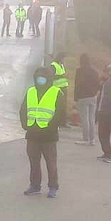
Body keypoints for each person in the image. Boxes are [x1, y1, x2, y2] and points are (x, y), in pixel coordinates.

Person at [20, 67, 64, 198]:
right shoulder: (31, 91)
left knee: (51, 163)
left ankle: (53, 187)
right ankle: (34, 186)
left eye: (43, 76)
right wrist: (25, 125)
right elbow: (23, 110)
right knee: (34, 162)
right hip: (32, 133)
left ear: (49, 78)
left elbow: (60, 114)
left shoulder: (57, 92)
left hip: (48, 135)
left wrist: (50, 128)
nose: (40, 79)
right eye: (38, 76)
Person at [73, 53, 100, 146]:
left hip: (82, 97)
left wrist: (75, 98)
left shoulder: (79, 71)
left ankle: (86, 138)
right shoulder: (94, 71)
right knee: (92, 118)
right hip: (93, 97)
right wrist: (94, 92)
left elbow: (77, 85)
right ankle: (92, 139)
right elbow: (98, 84)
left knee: (85, 119)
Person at [49, 53, 69, 127]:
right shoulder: (53, 65)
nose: (65, 60)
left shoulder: (61, 65)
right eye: (64, 59)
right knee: (57, 105)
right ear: (60, 58)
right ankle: (57, 121)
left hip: (63, 88)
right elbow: (52, 76)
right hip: (57, 88)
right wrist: (63, 76)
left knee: (63, 105)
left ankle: (63, 122)